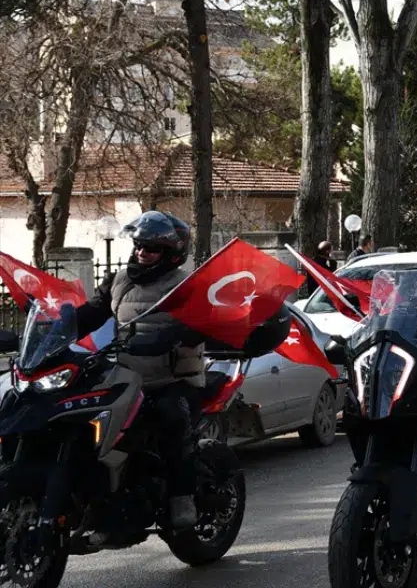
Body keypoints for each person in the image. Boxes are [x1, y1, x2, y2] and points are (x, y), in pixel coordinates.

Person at [74, 211, 289, 530]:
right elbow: (90, 314)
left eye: (150, 248)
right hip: (126, 378)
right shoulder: (119, 280)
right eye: (138, 246)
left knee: (170, 419)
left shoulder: (188, 286)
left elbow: (208, 322)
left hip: (175, 380)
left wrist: (173, 336)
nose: (141, 253)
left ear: (172, 254)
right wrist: (57, 327)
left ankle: (182, 498)